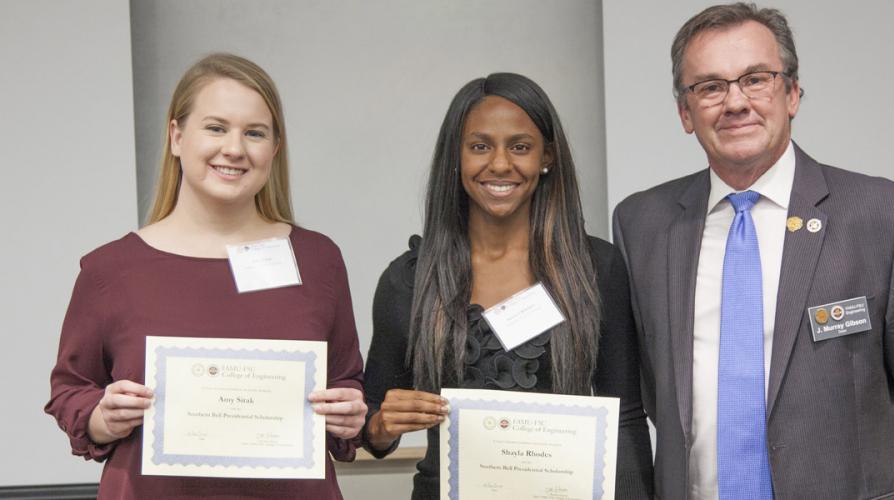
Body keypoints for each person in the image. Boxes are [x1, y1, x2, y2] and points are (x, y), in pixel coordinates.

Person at [612, 3, 894, 499]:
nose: (735, 102)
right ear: (685, 113)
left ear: (792, 93)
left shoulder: (887, 216)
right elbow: (653, 389)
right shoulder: (642, 223)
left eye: (756, 79)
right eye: (710, 87)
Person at [45, 53, 366, 499]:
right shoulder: (110, 269)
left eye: (254, 133)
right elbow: (72, 390)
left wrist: (348, 413)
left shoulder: (317, 260)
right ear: (176, 136)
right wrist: (102, 417)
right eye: (216, 128)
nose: (234, 149)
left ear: (274, 148)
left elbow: (345, 379)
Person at [362, 73, 654, 499]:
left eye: (520, 146)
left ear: (546, 156)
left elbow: (625, 417)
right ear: (456, 158)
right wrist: (383, 426)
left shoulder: (596, 268)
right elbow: (374, 426)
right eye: (480, 146)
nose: (500, 164)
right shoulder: (410, 279)